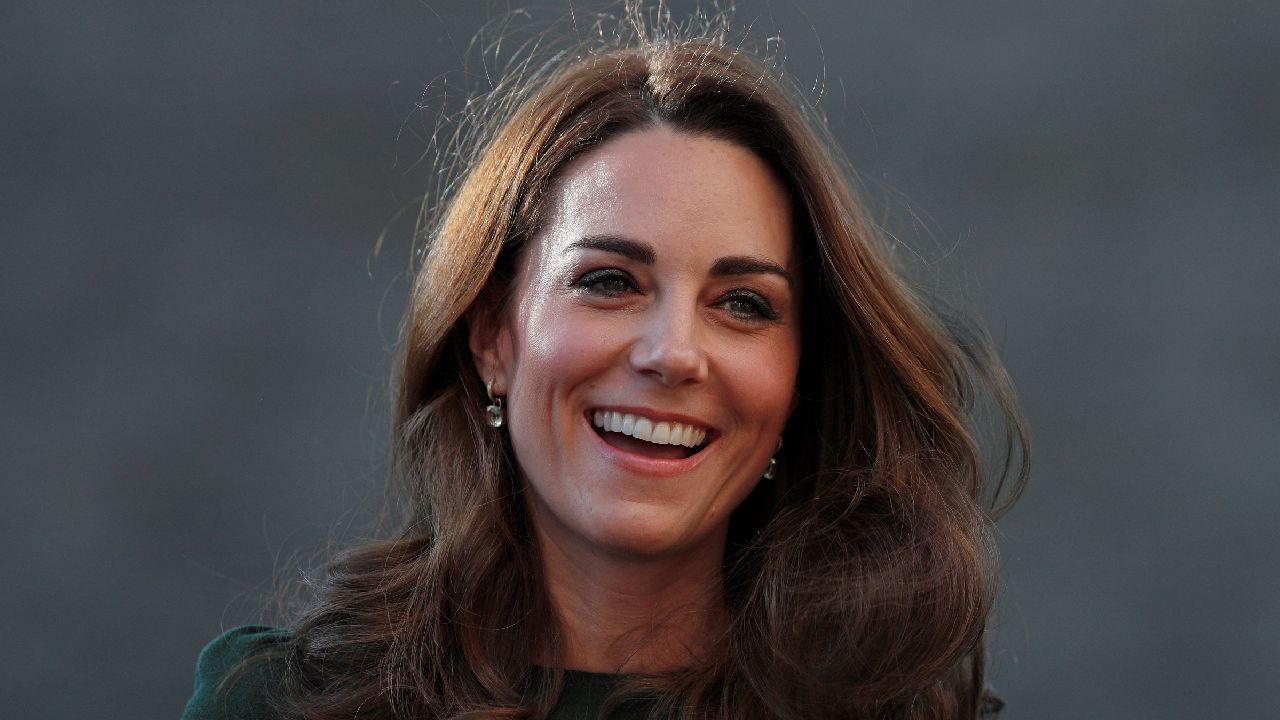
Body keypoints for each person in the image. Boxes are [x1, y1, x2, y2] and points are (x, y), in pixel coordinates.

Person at [183, 10, 1028, 720]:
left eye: (743, 303)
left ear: (801, 379)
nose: (673, 353)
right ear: (493, 336)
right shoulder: (286, 704)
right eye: (609, 283)